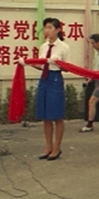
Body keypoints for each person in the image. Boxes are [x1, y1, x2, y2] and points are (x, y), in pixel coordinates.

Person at [27, 17, 70, 161]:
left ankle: (57, 147)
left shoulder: (63, 47)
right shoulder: (43, 46)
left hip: (55, 79)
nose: (47, 30)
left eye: (50, 27)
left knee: (56, 115)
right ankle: (48, 146)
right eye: (46, 27)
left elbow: (67, 68)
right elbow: (41, 65)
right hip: (44, 79)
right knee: (45, 115)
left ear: (58, 30)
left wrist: (56, 63)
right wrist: (29, 63)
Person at [80, 33, 99, 132]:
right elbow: (96, 68)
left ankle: (89, 124)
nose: (92, 46)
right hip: (96, 80)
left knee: (92, 101)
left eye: (93, 43)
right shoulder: (97, 53)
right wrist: (90, 79)